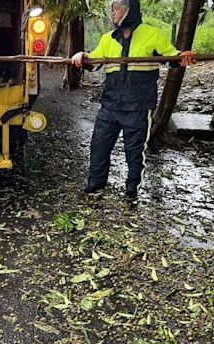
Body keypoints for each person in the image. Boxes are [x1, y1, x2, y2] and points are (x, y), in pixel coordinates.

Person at [71, 0, 196, 202]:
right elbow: (92, 62)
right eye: (112, 8)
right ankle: (95, 186)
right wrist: (81, 56)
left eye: (118, 7)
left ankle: (131, 193)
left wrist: (183, 57)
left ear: (130, 10)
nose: (113, 12)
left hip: (138, 107)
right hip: (110, 106)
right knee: (99, 147)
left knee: (135, 153)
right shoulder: (107, 39)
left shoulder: (152, 34)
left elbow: (172, 57)